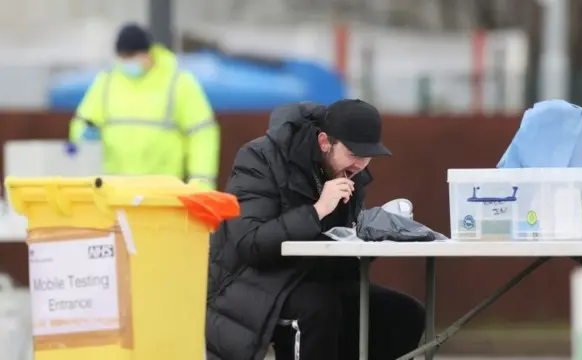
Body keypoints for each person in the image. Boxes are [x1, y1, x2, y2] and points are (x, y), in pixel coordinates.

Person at [206, 100, 425, 360]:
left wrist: (374, 232)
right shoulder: (260, 157)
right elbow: (250, 243)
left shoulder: (350, 172)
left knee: (405, 312)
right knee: (319, 308)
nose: (360, 164)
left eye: (368, 157)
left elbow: (342, 250)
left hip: (314, 275)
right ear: (324, 142)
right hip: (251, 280)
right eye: (354, 153)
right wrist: (317, 210)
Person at [67, 23, 220, 189]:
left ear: (149, 52)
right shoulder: (106, 82)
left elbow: (202, 134)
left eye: (133, 55)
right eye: (123, 57)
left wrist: (201, 184)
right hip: (113, 191)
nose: (128, 61)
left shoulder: (179, 82)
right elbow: (82, 123)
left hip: (163, 192)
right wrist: (84, 137)